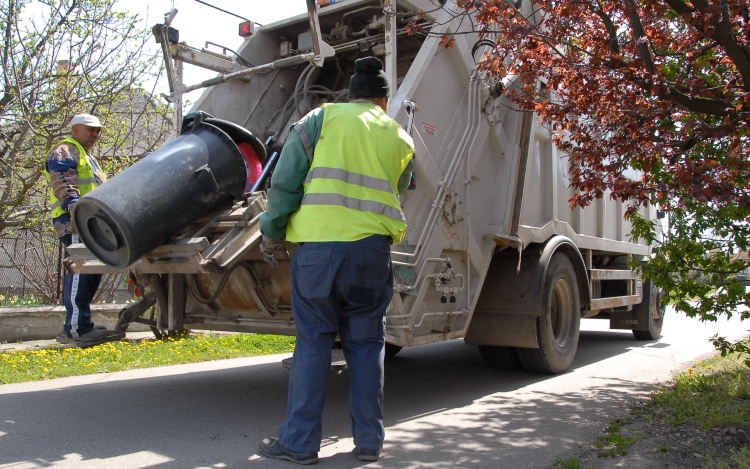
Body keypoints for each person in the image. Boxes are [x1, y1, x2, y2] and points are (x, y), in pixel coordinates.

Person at [257, 56, 414, 465]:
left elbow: (286, 181)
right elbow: (404, 184)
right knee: (366, 344)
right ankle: (369, 442)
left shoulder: (318, 119)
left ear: (351, 94)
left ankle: (300, 443)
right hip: (371, 253)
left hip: (319, 253)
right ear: (382, 99)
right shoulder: (398, 134)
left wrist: (272, 230)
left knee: (314, 343)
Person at [45, 113, 124, 347]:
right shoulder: (66, 151)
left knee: (90, 272)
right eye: (91, 129)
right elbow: (62, 182)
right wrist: (75, 207)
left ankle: (82, 324)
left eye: (98, 131)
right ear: (75, 129)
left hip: (89, 222)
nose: (96, 134)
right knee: (81, 271)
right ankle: (77, 329)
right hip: (76, 222)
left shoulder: (86, 155)